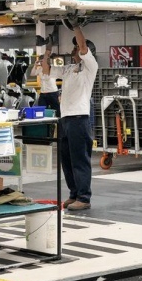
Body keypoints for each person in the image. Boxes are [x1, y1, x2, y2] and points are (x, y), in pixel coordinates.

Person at [46, 23, 98, 211]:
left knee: (79, 160)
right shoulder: (69, 68)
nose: (74, 49)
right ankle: (74, 194)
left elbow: (83, 45)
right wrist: (47, 49)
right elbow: (45, 71)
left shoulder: (90, 67)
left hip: (79, 120)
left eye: (76, 47)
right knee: (66, 160)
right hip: (65, 119)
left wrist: (75, 26)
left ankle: (84, 197)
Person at [34, 40, 61, 116]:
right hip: (43, 93)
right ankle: (44, 127)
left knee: (57, 112)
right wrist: (35, 65)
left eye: (44, 61)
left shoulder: (53, 69)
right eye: (41, 61)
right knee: (40, 112)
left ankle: (59, 127)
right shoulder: (39, 70)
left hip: (53, 93)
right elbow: (33, 73)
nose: (42, 63)